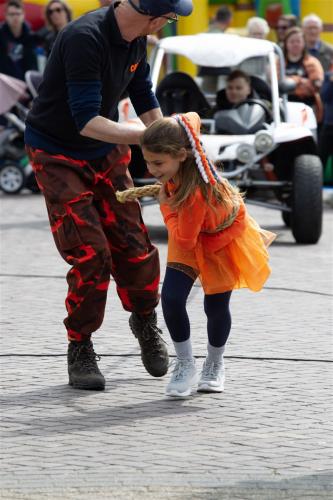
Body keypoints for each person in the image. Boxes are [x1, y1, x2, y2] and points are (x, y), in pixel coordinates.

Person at [25, 0, 193, 391]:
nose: (166, 26)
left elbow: (143, 94)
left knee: (133, 243)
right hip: (57, 152)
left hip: (104, 151)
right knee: (91, 251)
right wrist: (147, 137)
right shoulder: (84, 38)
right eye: (169, 20)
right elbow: (86, 121)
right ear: (154, 16)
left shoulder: (136, 39)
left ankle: (145, 320)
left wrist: (170, 140)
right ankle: (80, 345)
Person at [140, 112, 275, 397]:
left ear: (181, 155)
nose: (152, 169)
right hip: (188, 235)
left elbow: (185, 239)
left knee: (214, 307)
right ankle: (186, 364)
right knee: (173, 299)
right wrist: (179, 122)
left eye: (158, 163)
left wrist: (164, 205)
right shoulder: (183, 157)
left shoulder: (194, 195)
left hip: (218, 243)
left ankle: (214, 364)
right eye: (148, 162)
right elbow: (192, 117)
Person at [283, 27, 324, 122]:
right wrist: (301, 81)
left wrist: (290, 81)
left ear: (303, 43)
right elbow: (277, 85)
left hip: (307, 107)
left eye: (298, 41)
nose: (295, 44)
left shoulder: (313, 62)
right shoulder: (278, 63)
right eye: (292, 41)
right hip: (285, 107)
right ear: (286, 44)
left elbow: (316, 86)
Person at [0, 0, 39, 80]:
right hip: (4, 82)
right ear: (6, 15)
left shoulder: (31, 37)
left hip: (25, 83)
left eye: (18, 14)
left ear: (23, 15)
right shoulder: (1, 35)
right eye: (11, 14)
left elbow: (33, 64)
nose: (15, 17)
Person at [319, 67, 333, 183]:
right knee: (321, 155)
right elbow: (324, 97)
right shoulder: (328, 76)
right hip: (329, 123)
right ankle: (317, 183)